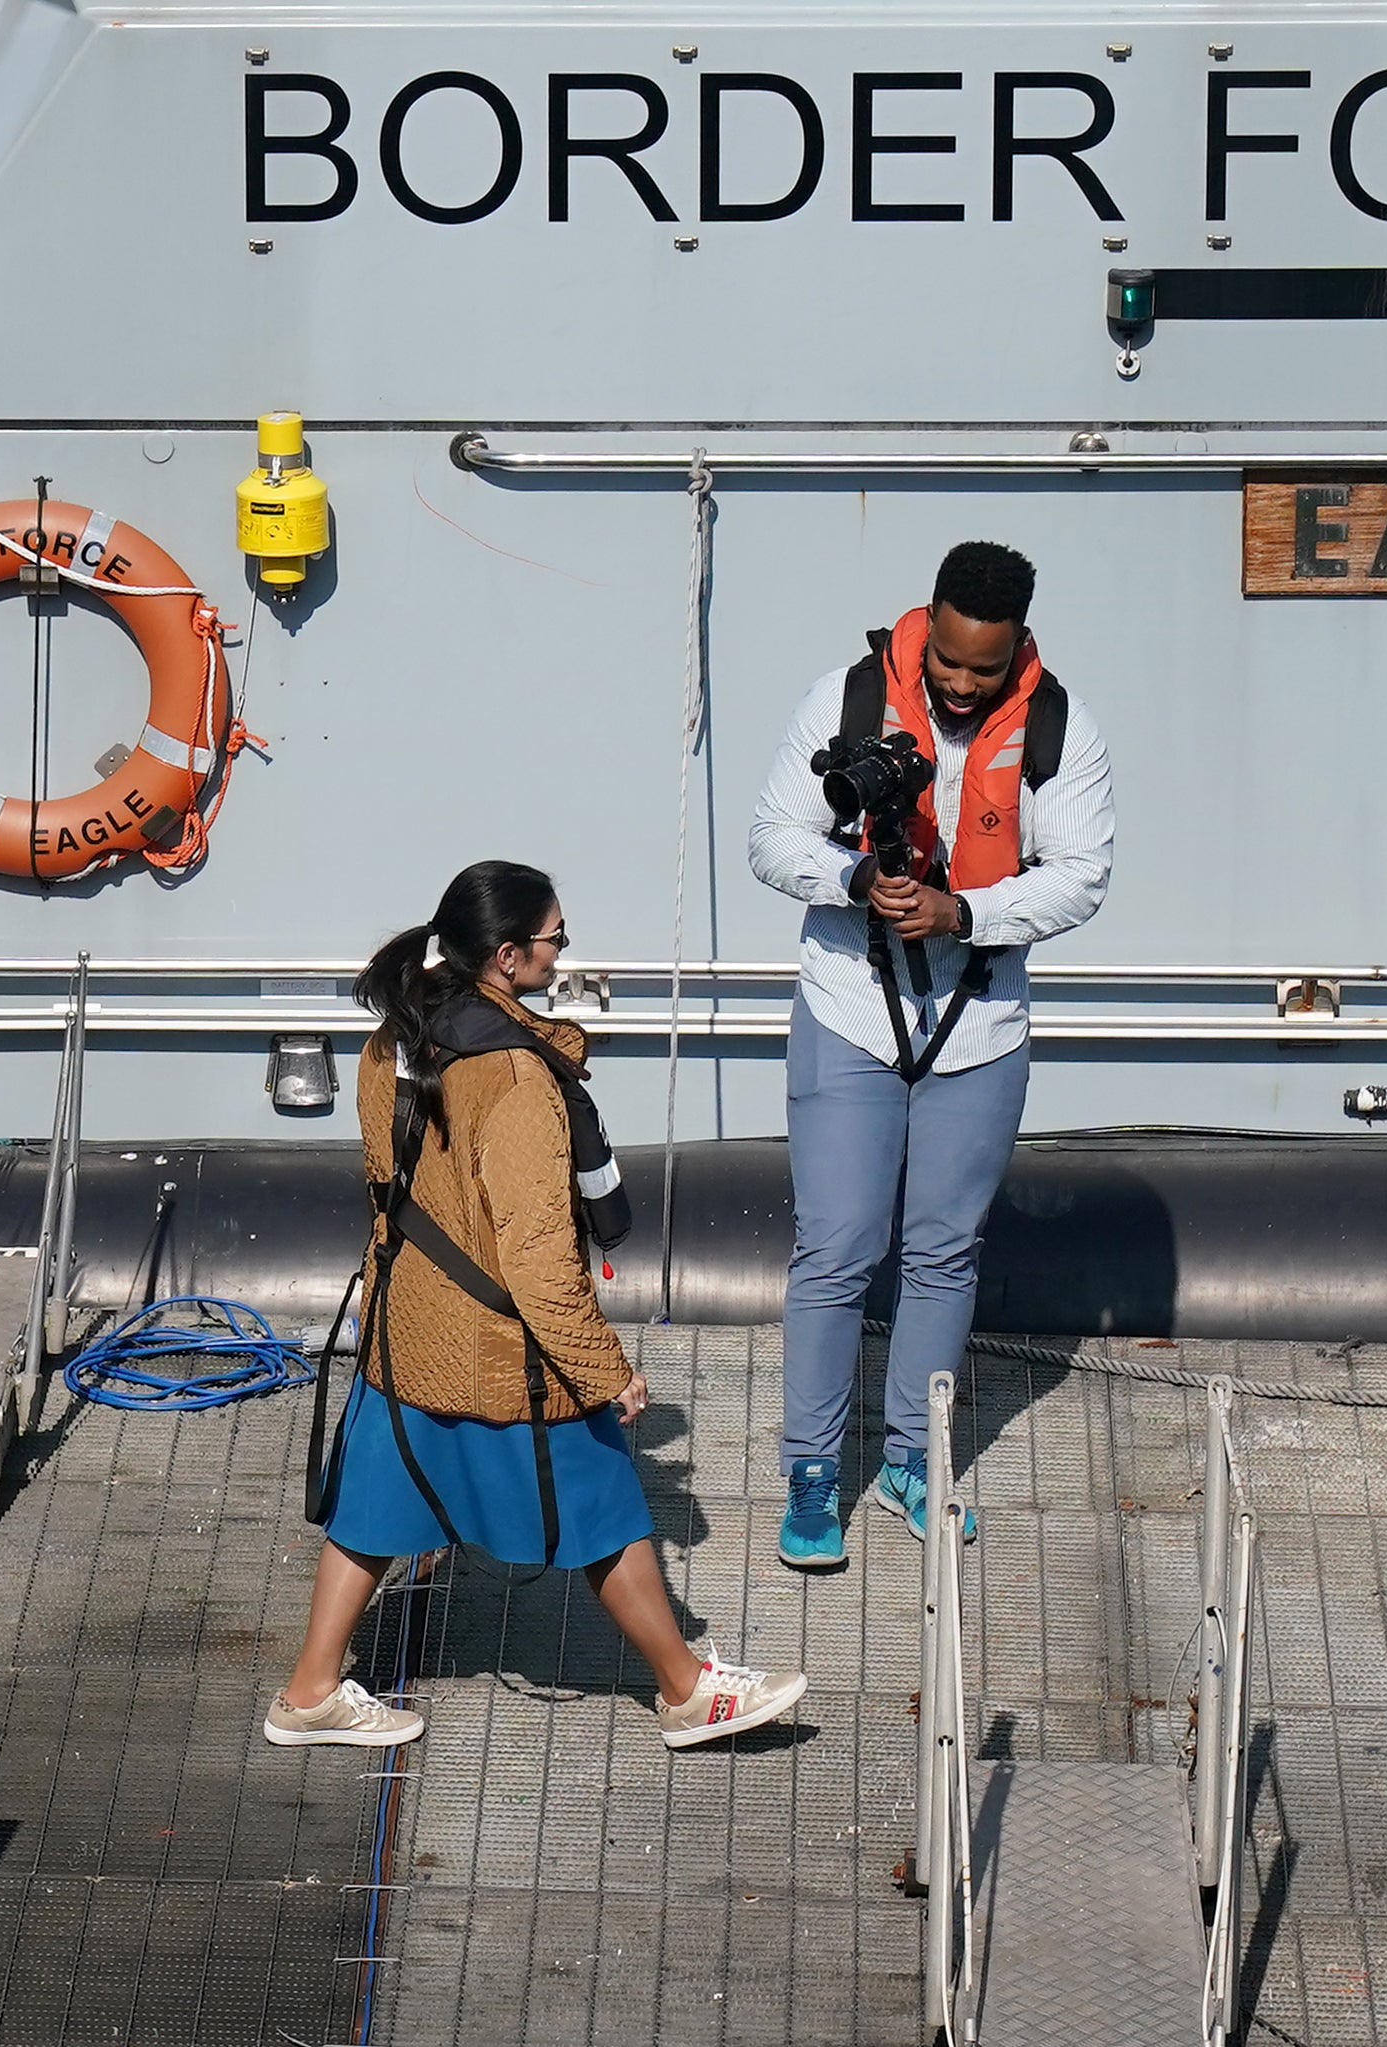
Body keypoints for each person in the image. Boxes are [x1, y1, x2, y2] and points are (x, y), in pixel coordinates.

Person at [266, 863, 808, 1752]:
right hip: (497, 1350)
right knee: (602, 1506)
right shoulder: (517, 1079)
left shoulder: (391, 1039)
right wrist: (605, 1370)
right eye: (556, 936)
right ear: (508, 954)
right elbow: (536, 1255)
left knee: (372, 1507)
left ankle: (311, 1690)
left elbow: (388, 1187)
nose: (563, 951)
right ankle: (684, 1689)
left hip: (405, 1329)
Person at [744, 542, 1115, 1566]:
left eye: (980, 671)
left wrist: (966, 910)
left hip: (978, 1025)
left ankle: (915, 1454)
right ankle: (810, 1474)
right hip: (849, 1010)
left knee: (943, 1252)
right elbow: (773, 835)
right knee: (837, 1248)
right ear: (929, 624)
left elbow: (1081, 875)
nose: (957, 684)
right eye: (945, 662)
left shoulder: (1059, 729)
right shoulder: (847, 697)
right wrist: (858, 881)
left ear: (1015, 652)